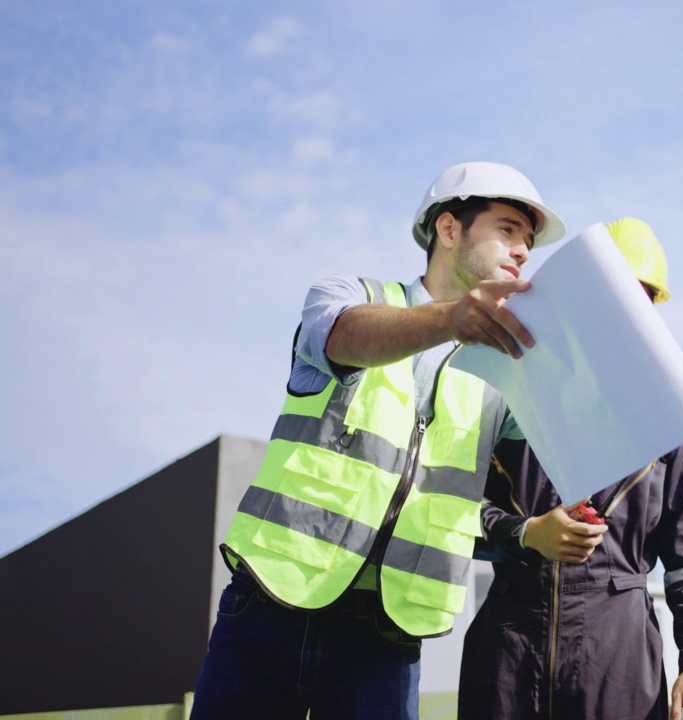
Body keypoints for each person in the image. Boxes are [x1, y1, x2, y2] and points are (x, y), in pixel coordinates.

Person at [191, 161, 566, 719]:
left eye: (528, 242)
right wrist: (450, 320)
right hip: (273, 602)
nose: (522, 251)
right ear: (448, 229)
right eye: (507, 229)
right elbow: (343, 337)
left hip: (388, 634)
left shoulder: (505, 374)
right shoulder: (349, 294)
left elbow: (505, 490)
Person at [457, 218, 683, 720]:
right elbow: (448, 510)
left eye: (641, 300)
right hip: (505, 652)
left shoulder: (674, 417)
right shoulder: (506, 386)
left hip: (619, 655)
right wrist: (524, 534)